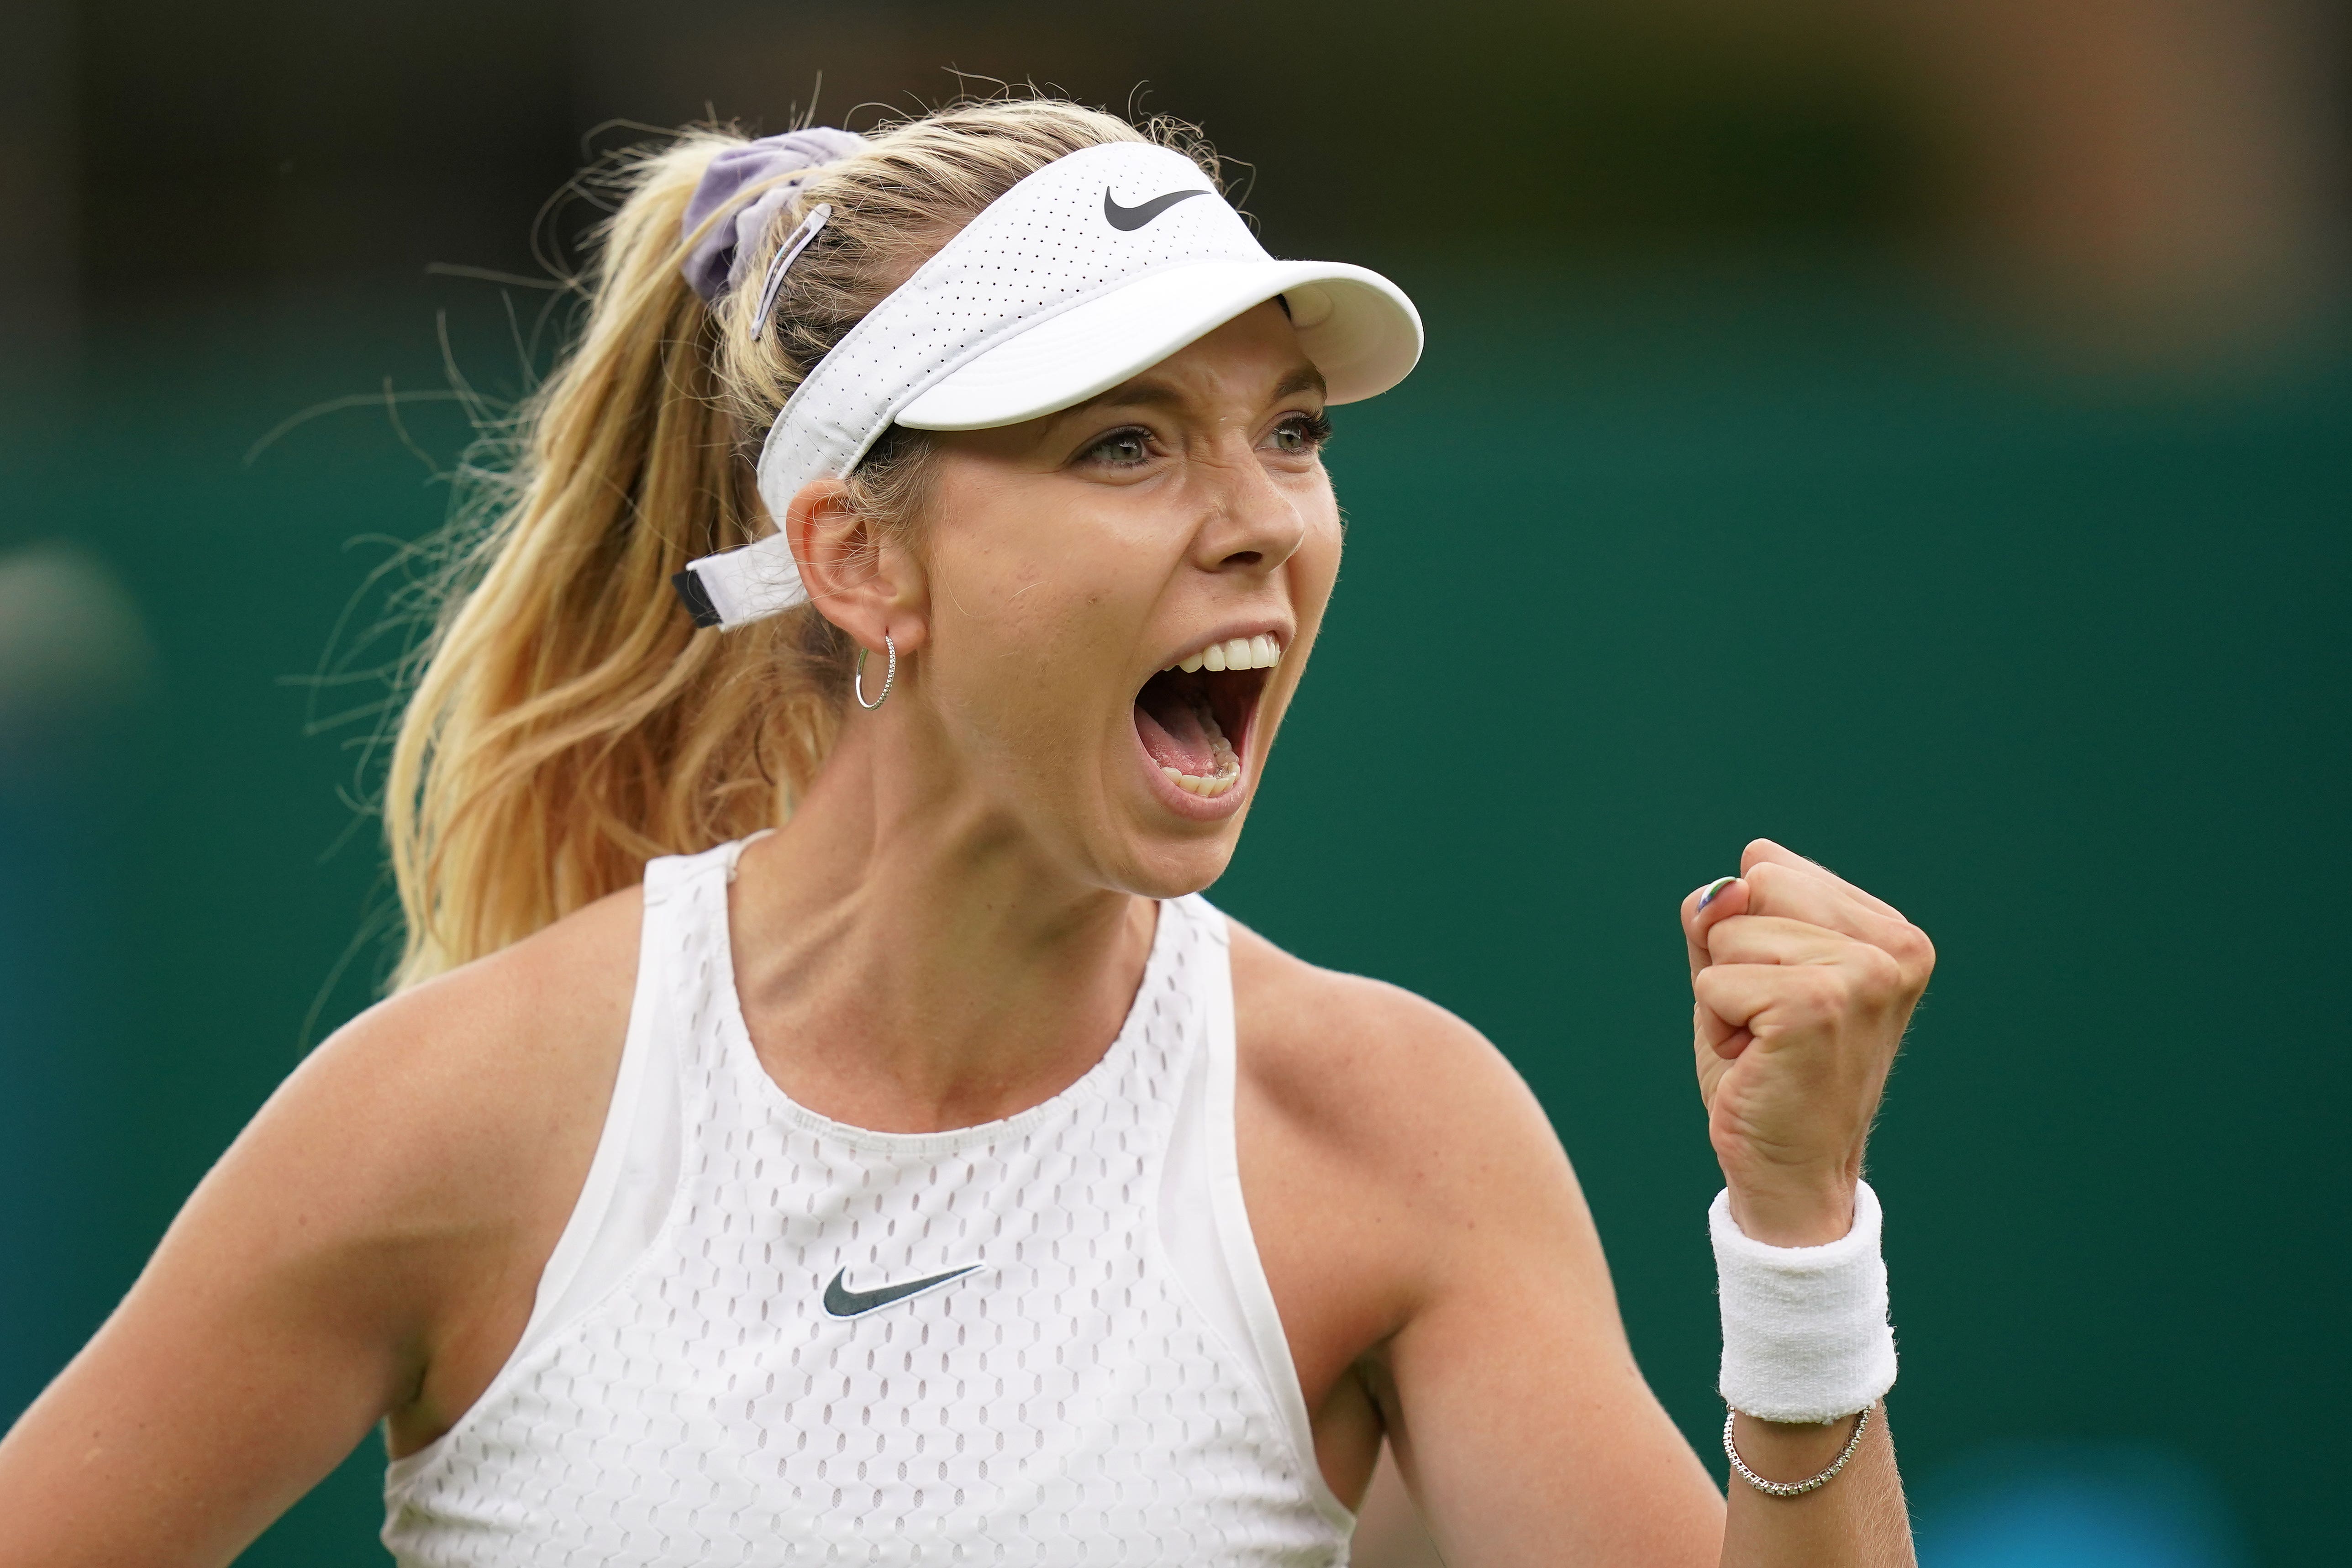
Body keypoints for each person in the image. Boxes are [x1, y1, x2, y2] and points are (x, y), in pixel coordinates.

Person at [0, 98, 1931, 1567]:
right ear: (856, 556)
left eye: (1291, 428)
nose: (1260, 514)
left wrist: (1795, 1247)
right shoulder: (466, 1116)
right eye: (1126, 441)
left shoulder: (1396, 1137)